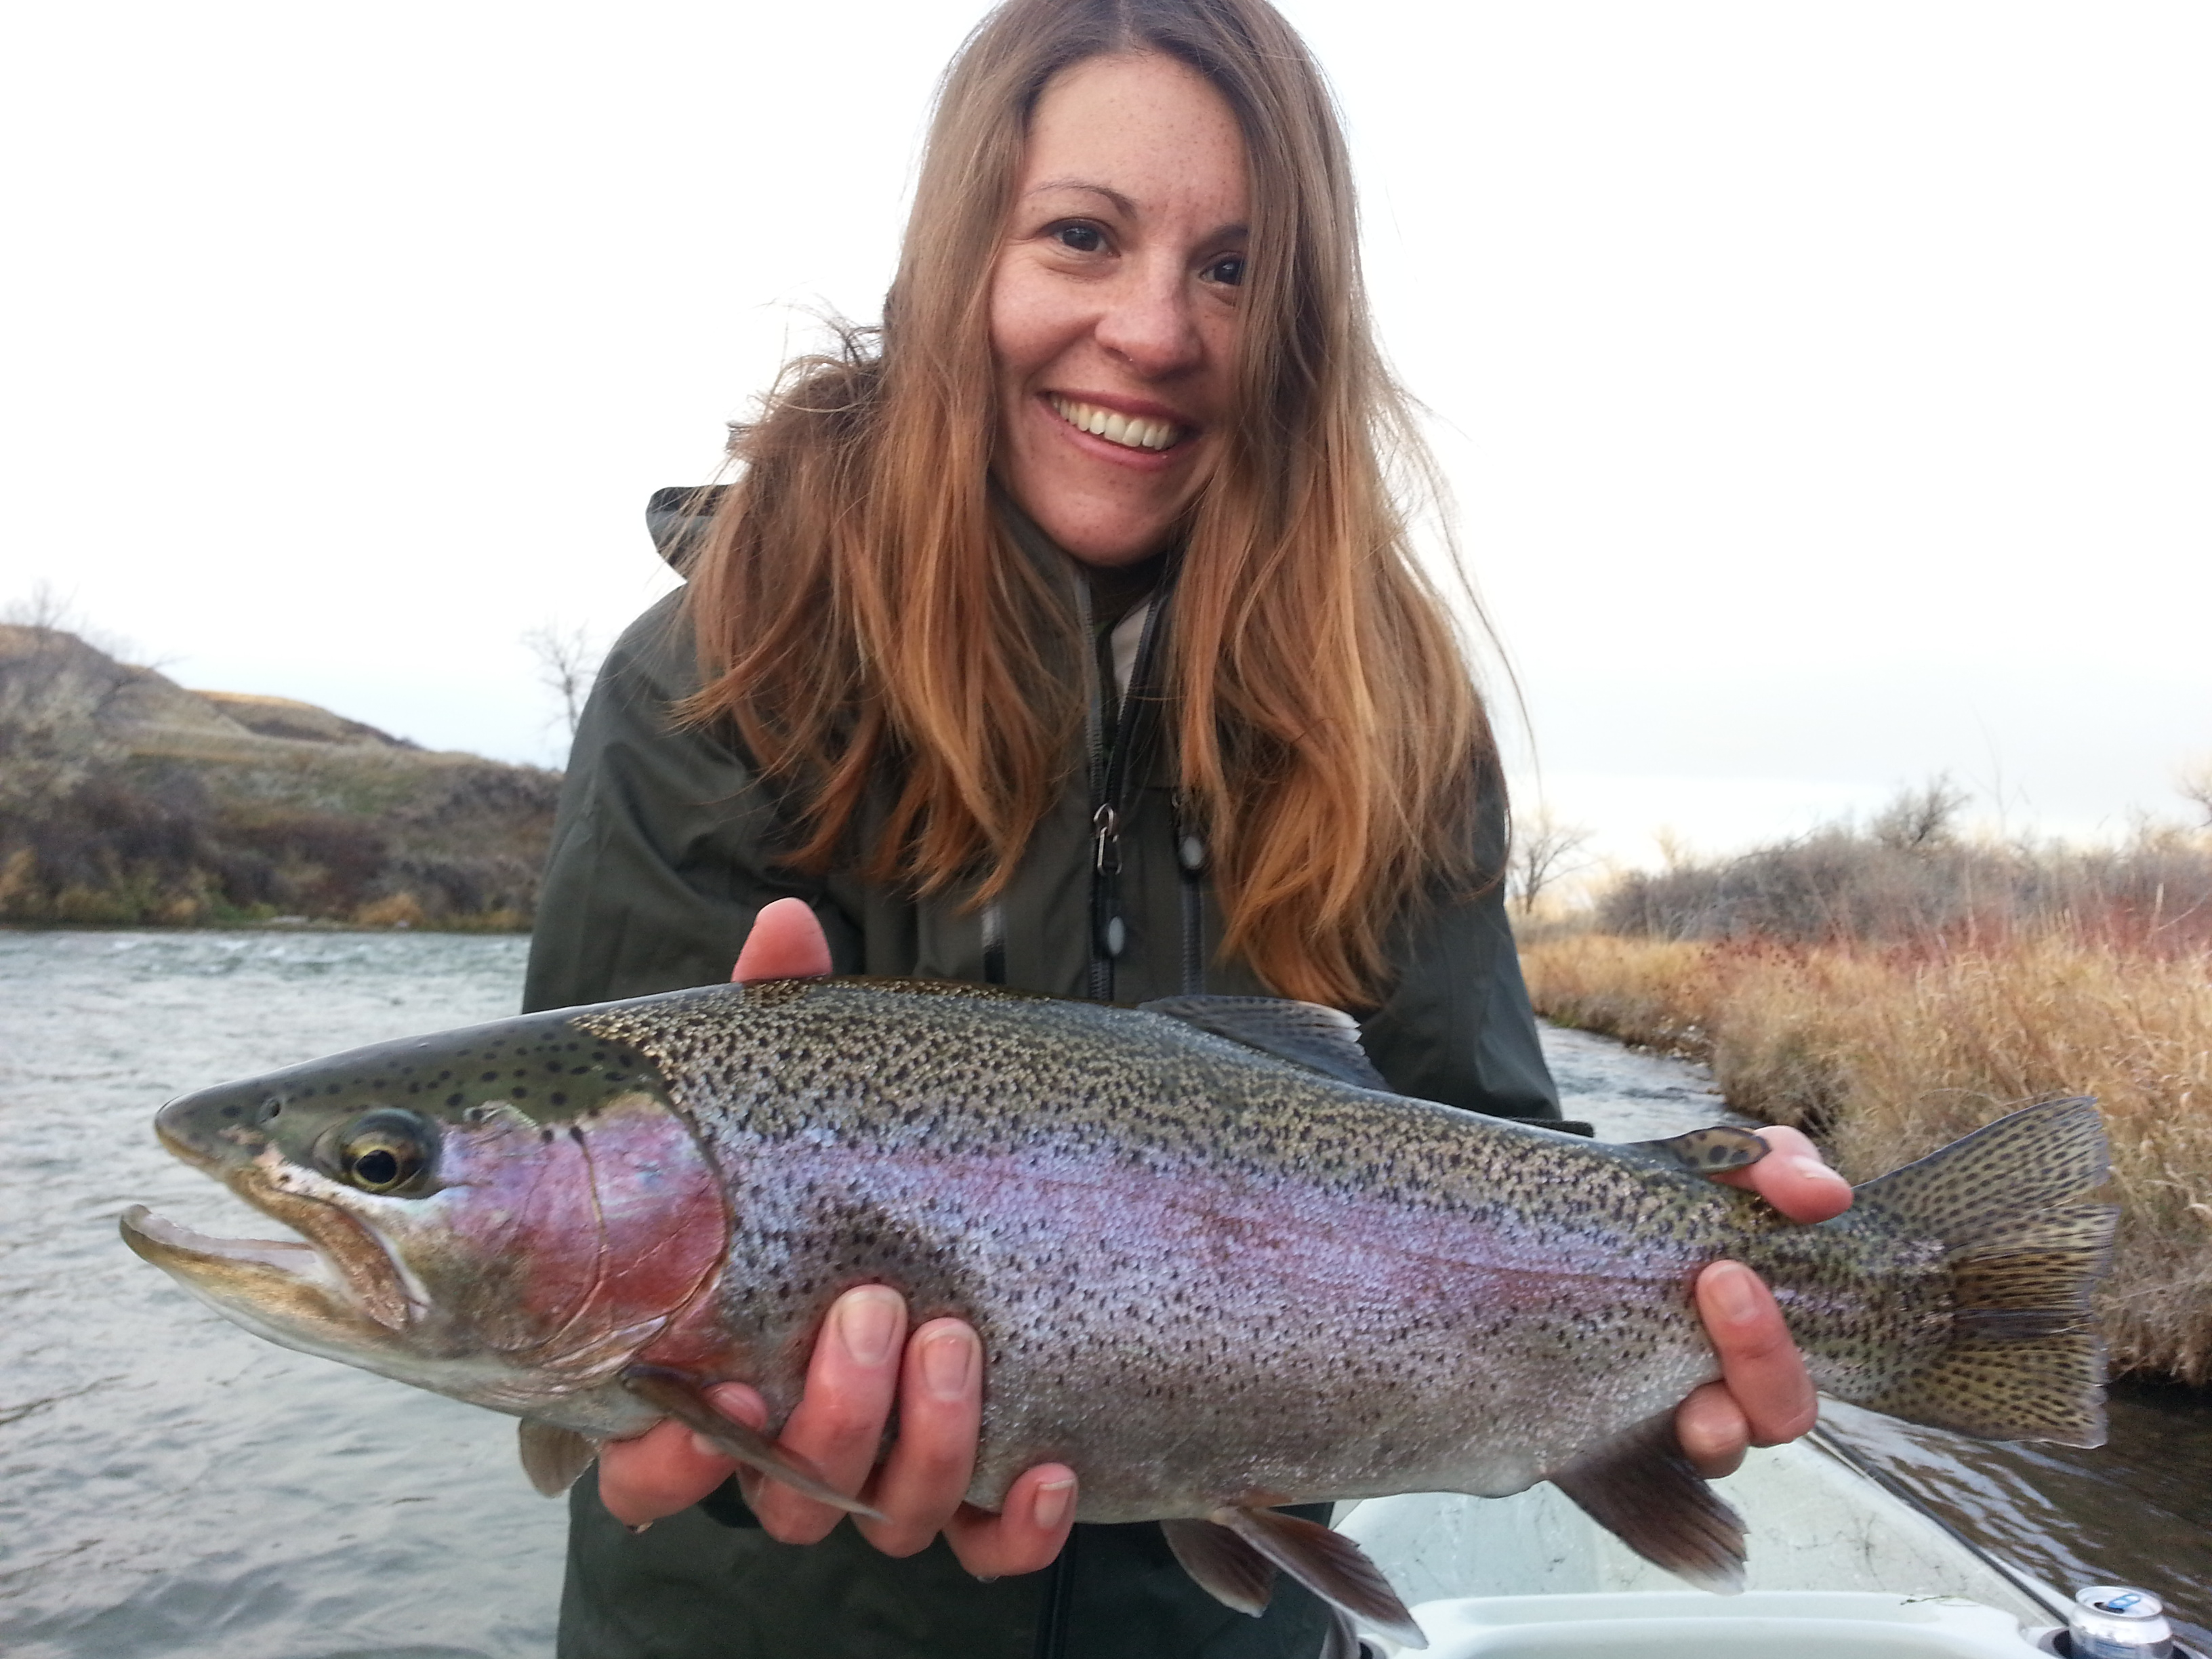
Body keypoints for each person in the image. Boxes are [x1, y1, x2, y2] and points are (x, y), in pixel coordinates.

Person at [523, 1, 1855, 1654]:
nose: (1155, 331)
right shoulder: (723, 670)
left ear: (1300, 330)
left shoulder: (1391, 713)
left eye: (1233, 270)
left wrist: (1702, 1236)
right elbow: (607, 1343)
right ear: (960, 262)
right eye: (1082, 237)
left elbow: (1485, 1148)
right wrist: (704, 1447)